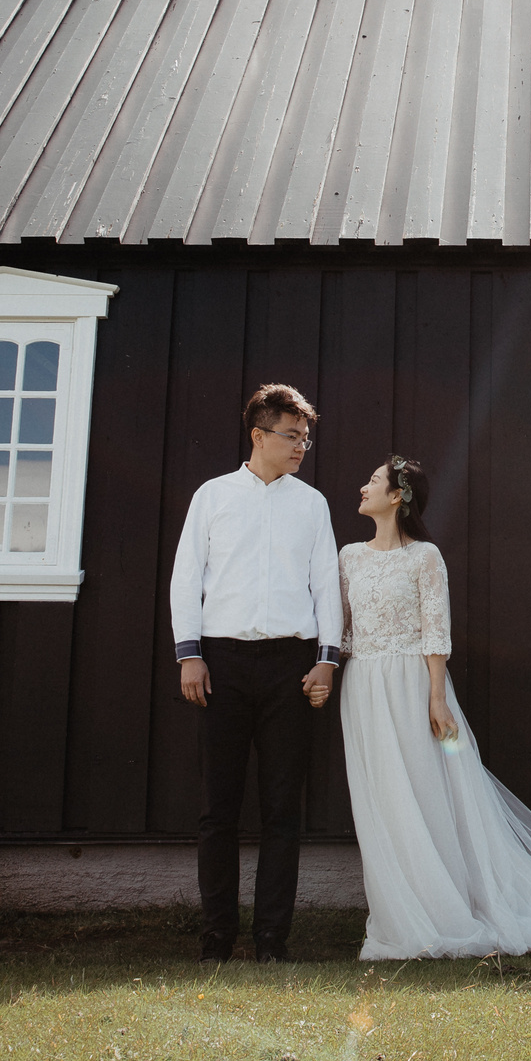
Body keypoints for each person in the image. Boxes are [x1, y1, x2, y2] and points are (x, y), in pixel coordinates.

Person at [338, 454, 531, 961]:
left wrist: (437, 697)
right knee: (381, 796)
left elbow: (435, 631)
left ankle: (445, 910)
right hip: (364, 686)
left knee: (427, 791)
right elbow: (343, 627)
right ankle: (400, 913)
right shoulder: (349, 556)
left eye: (373, 480)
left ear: (397, 496)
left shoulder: (425, 557)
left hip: (414, 684)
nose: (363, 486)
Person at [170, 383, 342, 963]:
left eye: (305, 437)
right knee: (218, 809)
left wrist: (327, 658)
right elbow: (186, 576)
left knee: (281, 809)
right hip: (220, 663)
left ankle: (272, 939)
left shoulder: (311, 504)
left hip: (291, 669)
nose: (301, 447)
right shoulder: (213, 497)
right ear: (258, 436)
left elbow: (326, 584)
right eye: (291, 436)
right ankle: (216, 935)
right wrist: (188, 652)